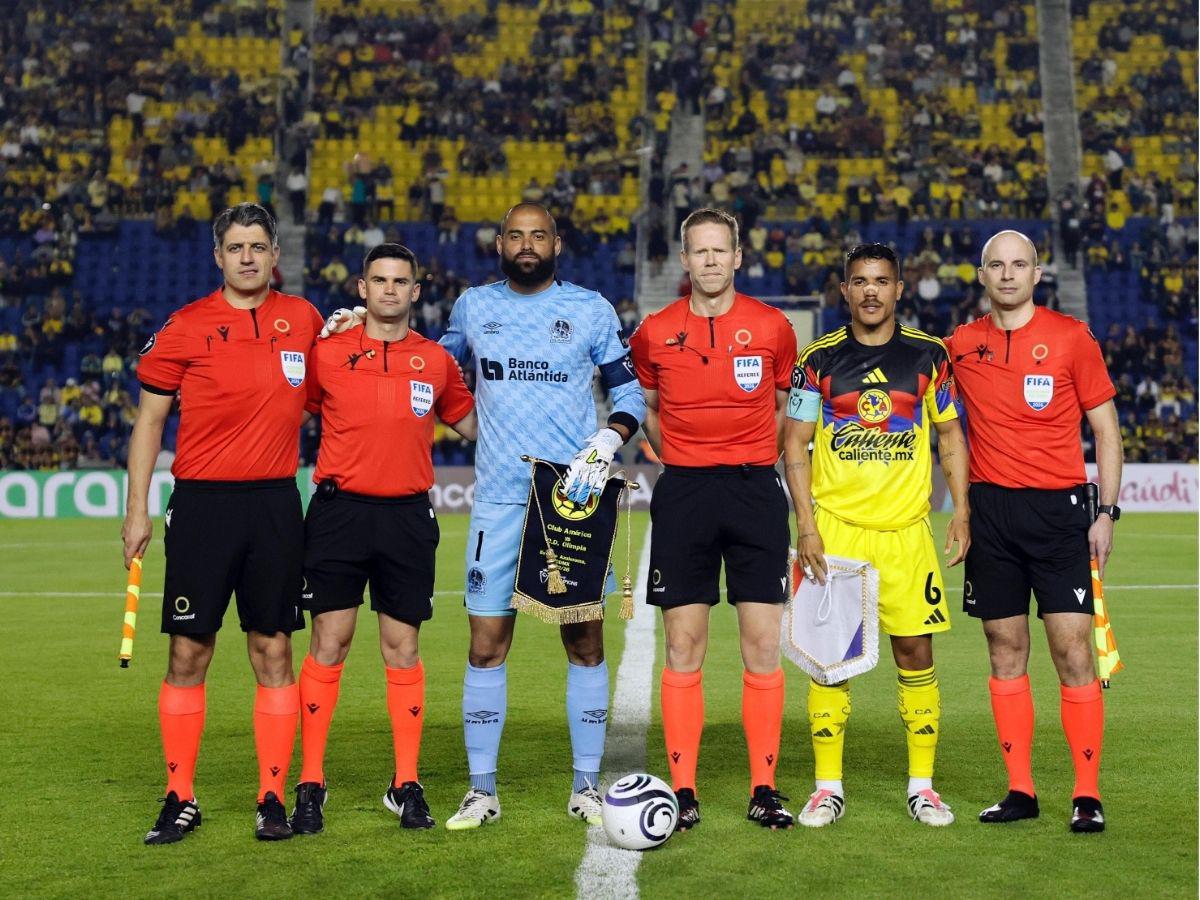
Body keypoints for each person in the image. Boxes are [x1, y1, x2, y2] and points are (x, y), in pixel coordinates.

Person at [122, 203, 324, 844]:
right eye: (235, 247)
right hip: (202, 505)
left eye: (257, 246)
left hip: (273, 505)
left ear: (273, 255)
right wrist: (137, 510)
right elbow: (149, 421)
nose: (246, 257)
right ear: (218, 256)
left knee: (273, 649)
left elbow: (343, 371)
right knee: (189, 650)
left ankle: (271, 795)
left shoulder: (306, 320)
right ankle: (179, 795)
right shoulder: (185, 326)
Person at [439, 202, 645, 829]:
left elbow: (629, 390)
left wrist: (609, 440)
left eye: (539, 235)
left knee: (583, 641)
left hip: (571, 498)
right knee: (485, 645)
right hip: (499, 498)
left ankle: (586, 786)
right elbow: (427, 369)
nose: (527, 244)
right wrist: (365, 325)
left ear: (558, 244)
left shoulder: (590, 309)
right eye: (516, 235)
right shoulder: (473, 307)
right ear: (499, 243)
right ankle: (482, 790)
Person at [289, 244, 477, 836]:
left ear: (416, 291)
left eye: (401, 281)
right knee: (330, 642)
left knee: (402, 648)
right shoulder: (328, 352)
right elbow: (285, 400)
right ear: (362, 288)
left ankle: (405, 782)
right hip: (339, 513)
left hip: (406, 517)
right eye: (380, 280)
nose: (391, 290)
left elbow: (475, 426)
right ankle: (311, 782)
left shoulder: (435, 362)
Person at [783, 242, 970, 828]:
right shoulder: (817, 360)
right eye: (859, 281)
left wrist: (962, 510)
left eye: (881, 281)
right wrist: (806, 527)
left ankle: (922, 787)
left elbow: (951, 439)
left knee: (915, 654)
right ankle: (826, 787)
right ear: (844, 290)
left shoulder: (930, 358)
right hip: (836, 535)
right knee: (827, 663)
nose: (870, 291)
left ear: (898, 288)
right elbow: (792, 444)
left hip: (906, 533)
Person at [945, 230, 1122, 833]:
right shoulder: (961, 346)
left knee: (1072, 650)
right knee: (1004, 648)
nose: (1008, 274)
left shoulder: (1072, 337)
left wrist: (1106, 512)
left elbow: (1107, 430)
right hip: (992, 514)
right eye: (997, 265)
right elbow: (929, 414)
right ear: (981, 274)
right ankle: (1020, 790)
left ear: (1037, 272)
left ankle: (1087, 793)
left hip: (1060, 514)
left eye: (1019, 264)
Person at [627, 207, 798, 831]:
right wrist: (669, 452)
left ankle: (763, 787)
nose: (709, 261)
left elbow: (787, 405)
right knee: (683, 645)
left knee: (761, 645)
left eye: (719, 251)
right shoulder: (654, 331)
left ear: (738, 257)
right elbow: (642, 402)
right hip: (684, 495)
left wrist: (759, 456)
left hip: (755, 493)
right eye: (698, 252)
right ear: (684, 260)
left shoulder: (773, 327)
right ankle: (684, 790)